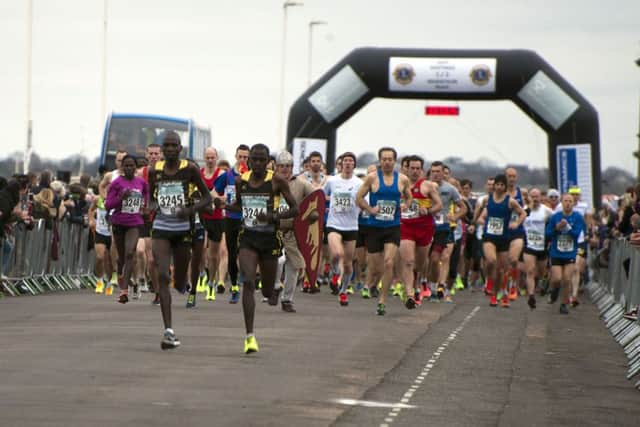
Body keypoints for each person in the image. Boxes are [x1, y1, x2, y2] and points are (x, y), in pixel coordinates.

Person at [217, 143, 298, 353]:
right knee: (249, 282)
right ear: (249, 161)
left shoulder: (277, 180)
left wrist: (272, 216)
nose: (259, 163)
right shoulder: (240, 180)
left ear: (268, 161)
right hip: (248, 238)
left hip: (270, 239)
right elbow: (239, 206)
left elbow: (295, 209)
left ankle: (274, 287)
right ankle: (249, 336)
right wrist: (224, 205)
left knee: (268, 291)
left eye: (263, 160)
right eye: (255, 159)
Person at [148, 131, 212, 350]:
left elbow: (207, 197)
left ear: (180, 148)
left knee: (180, 282)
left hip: (184, 228)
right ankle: (168, 331)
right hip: (161, 228)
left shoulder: (190, 169)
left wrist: (190, 209)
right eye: (166, 146)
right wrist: (150, 206)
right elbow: (151, 197)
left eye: (174, 145)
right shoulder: (154, 170)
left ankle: (183, 282)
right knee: (163, 275)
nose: (170, 149)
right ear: (162, 149)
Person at [356, 147, 412, 315]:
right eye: (384, 159)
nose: (387, 162)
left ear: (395, 161)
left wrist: (405, 205)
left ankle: (382, 300)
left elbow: (409, 197)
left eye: (390, 159)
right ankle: (373, 284)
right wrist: (369, 209)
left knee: (389, 262)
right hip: (374, 227)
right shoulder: (372, 178)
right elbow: (358, 197)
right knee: (378, 267)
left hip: (392, 227)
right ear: (380, 161)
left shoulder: (402, 179)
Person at [473, 174, 526, 307]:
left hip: (504, 238)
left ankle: (500, 294)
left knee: (503, 270)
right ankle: (490, 280)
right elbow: (479, 215)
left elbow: (523, 213)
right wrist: (477, 221)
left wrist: (517, 223)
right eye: (497, 184)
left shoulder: (510, 201)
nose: (499, 187)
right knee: (491, 261)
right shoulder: (487, 200)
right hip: (489, 237)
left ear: (505, 187)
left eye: (502, 185)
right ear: (494, 185)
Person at [274, 150, 317, 312]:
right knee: (276, 260)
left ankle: (287, 299)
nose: (285, 169)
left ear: (292, 167)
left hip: (293, 231)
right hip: (274, 229)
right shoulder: (270, 182)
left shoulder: (302, 183)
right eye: (282, 166)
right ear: (277, 167)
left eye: (288, 166)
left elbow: (315, 199)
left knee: (294, 266)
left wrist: (313, 213)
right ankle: (276, 285)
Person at [105, 155, 149, 303]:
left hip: (134, 223)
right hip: (118, 223)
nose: (129, 168)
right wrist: (120, 198)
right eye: (126, 166)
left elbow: (147, 197)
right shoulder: (116, 183)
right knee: (122, 258)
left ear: (136, 167)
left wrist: (146, 207)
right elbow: (108, 205)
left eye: (132, 166)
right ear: (122, 167)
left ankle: (123, 292)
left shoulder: (141, 182)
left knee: (131, 253)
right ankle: (129, 281)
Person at [399, 155, 442, 307]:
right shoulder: (399, 184)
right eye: (412, 168)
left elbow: (439, 205)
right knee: (408, 261)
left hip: (424, 228)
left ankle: (416, 284)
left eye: (418, 168)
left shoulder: (428, 186)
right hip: (405, 227)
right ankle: (410, 294)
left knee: (419, 263)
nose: (415, 171)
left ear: (422, 170)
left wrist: (428, 210)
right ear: (407, 168)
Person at [324, 152, 363, 306]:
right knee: (336, 253)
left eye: (350, 161)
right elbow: (321, 194)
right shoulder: (332, 181)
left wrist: (363, 208)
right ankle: (334, 272)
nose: (347, 163)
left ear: (354, 165)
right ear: (341, 164)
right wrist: (328, 203)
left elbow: (363, 202)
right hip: (333, 223)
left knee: (347, 264)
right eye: (345, 161)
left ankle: (344, 291)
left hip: (351, 225)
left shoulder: (359, 183)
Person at [214, 144, 250, 304]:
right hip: (231, 218)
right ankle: (234, 286)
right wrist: (220, 199)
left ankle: (247, 281)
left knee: (245, 253)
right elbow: (213, 191)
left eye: (246, 157)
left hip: (247, 219)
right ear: (236, 156)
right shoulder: (227, 175)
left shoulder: (251, 175)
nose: (243, 159)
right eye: (240, 156)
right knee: (231, 253)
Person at [427, 161, 467, 302]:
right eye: (433, 171)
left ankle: (437, 287)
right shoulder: (425, 187)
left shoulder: (450, 189)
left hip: (443, 228)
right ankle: (426, 285)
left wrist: (455, 217)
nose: (436, 174)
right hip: (425, 227)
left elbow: (463, 208)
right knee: (426, 260)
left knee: (437, 258)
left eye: (439, 171)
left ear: (443, 173)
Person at [546, 193, 585, 314]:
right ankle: (554, 290)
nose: (568, 203)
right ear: (561, 203)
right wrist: (557, 228)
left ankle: (563, 304)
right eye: (565, 201)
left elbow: (576, 234)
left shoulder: (578, 217)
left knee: (567, 279)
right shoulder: (555, 217)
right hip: (556, 252)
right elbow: (547, 234)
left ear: (573, 203)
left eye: (570, 201)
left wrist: (567, 227)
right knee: (557, 278)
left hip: (570, 253)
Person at [199, 147, 226, 302]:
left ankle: (211, 282)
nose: (210, 160)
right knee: (201, 248)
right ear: (204, 158)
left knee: (213, 255)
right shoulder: (200, 174)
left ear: (216, 158)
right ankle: (202, 274)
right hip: (202, 216)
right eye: (207, 157)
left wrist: (219, 199)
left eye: (212, 157)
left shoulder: (221, 175)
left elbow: (224, 196)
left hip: (216, 218)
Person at [522, 188, 552, 309]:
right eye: (532, 196)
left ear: (541, 198)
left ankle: (542, 281)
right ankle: (531, 296)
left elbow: (555, 222)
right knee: (530, 271)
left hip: (542, 245)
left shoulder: (547, 211)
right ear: (529, 197)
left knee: (539, 272)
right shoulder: (524, 211)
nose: (535, 199)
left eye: (537, 196)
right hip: (529, 245)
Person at [88, 195, 114, 295]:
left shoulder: (117, 198)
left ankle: (109, 282)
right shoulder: (98, 200)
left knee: (111, 260)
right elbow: (91, 210)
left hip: (113, 234)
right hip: (100, 232)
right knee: (100, 257)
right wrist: (91, 220)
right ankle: (99, 280)